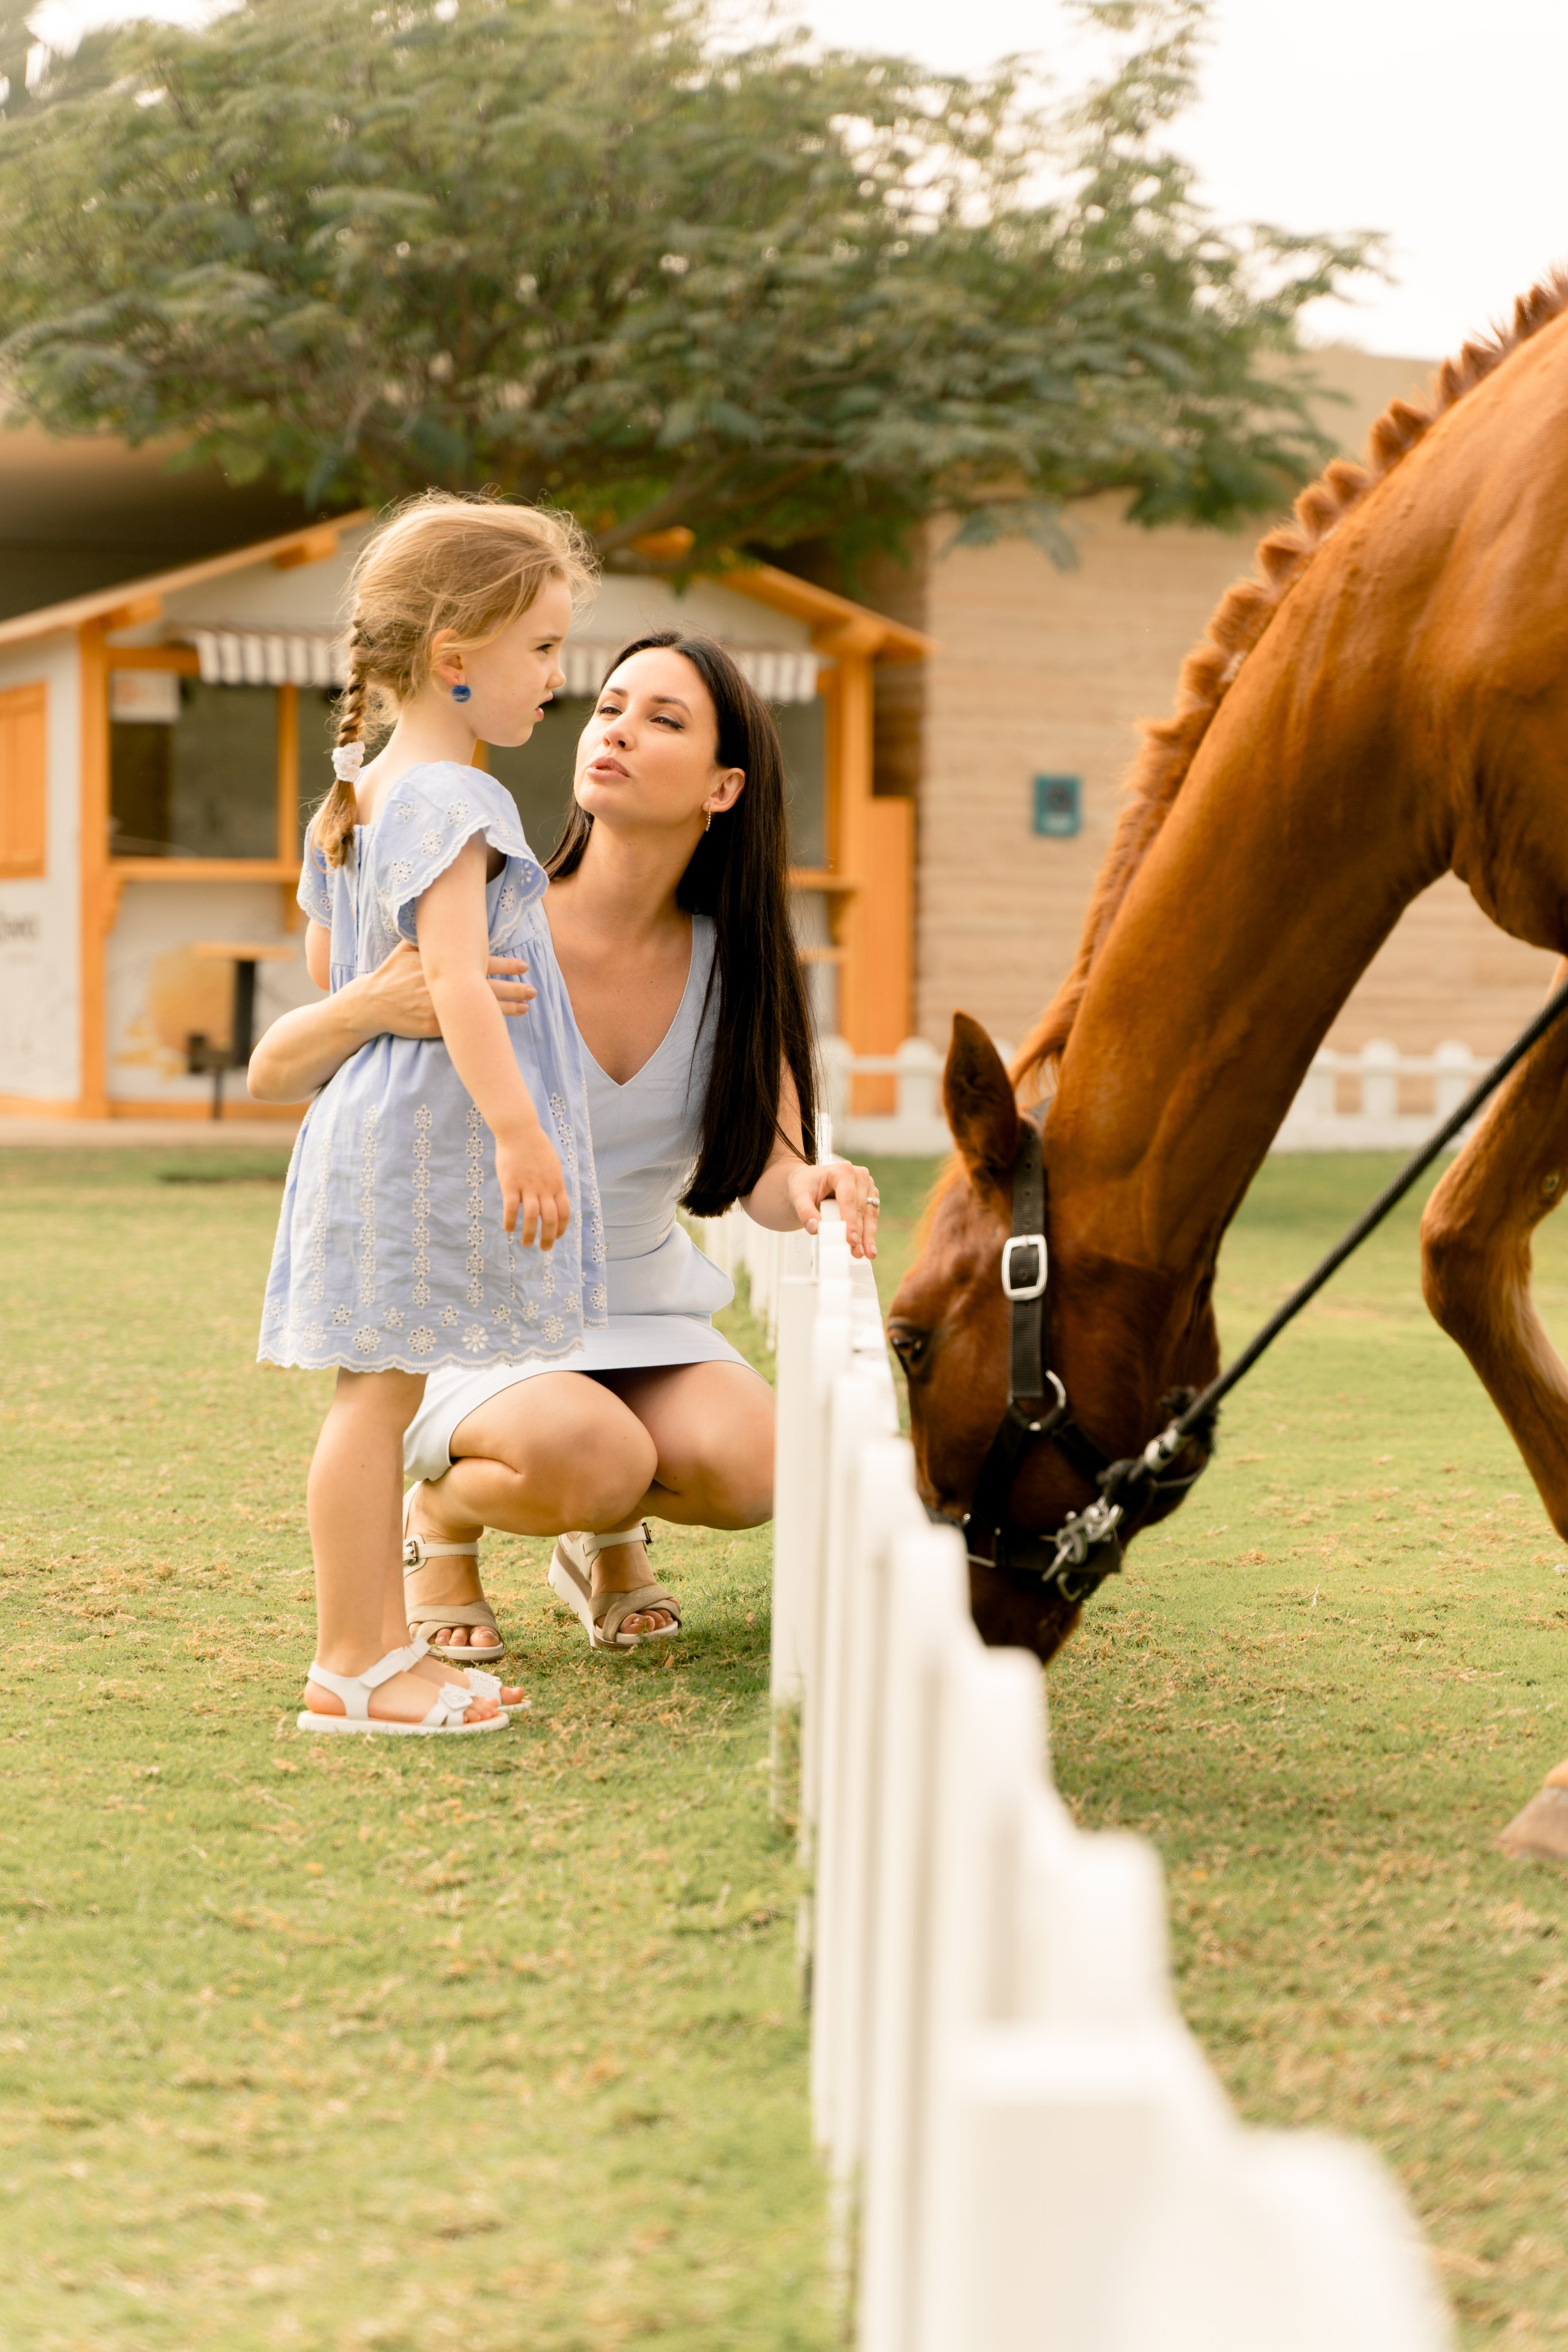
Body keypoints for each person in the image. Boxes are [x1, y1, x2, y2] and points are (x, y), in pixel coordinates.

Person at [250, 628, 880, 1657]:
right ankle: (442, 1525)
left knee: (761, 1467)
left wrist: (814, 1181)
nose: (616, 732)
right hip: (490, 1310)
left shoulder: (741, 962)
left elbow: (768, 1170)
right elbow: (279, 1068)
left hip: (641, 1303)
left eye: (662, 720)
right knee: (590, 1456)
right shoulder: (487, 916)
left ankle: (604, 1536)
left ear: (724, 790)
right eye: (610, 706)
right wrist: (370, 1000)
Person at [257, 491, 603, 1732]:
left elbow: (327, 967)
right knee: (377, 1400)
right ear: (453, 663)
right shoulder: (458, 801)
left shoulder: (368, 788)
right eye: (544, 650)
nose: (560, 680)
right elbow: (453, 978)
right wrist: (520, 1132)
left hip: (366, 1124)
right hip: (414, 1139)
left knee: (381, 1393)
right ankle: (353, 1662)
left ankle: (381, 1651)